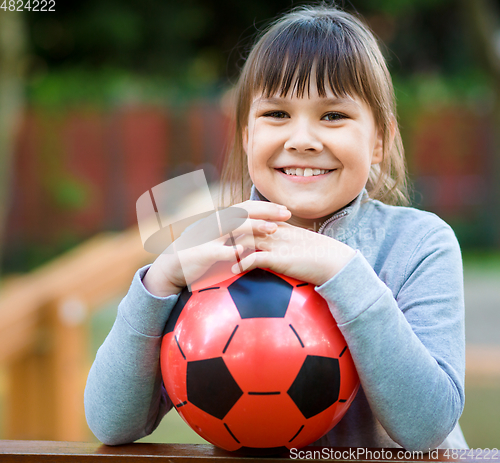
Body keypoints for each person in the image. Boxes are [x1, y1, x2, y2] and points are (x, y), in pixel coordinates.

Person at [85, 3, 467, 451]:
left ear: (379, 141)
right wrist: (160, 279)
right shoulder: (209, 250)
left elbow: (427, 428)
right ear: (247, 136)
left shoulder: (419, 244)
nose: (302, 139)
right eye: (277, 115)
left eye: (333, 116)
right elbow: (111, 424)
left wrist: (343, 271)